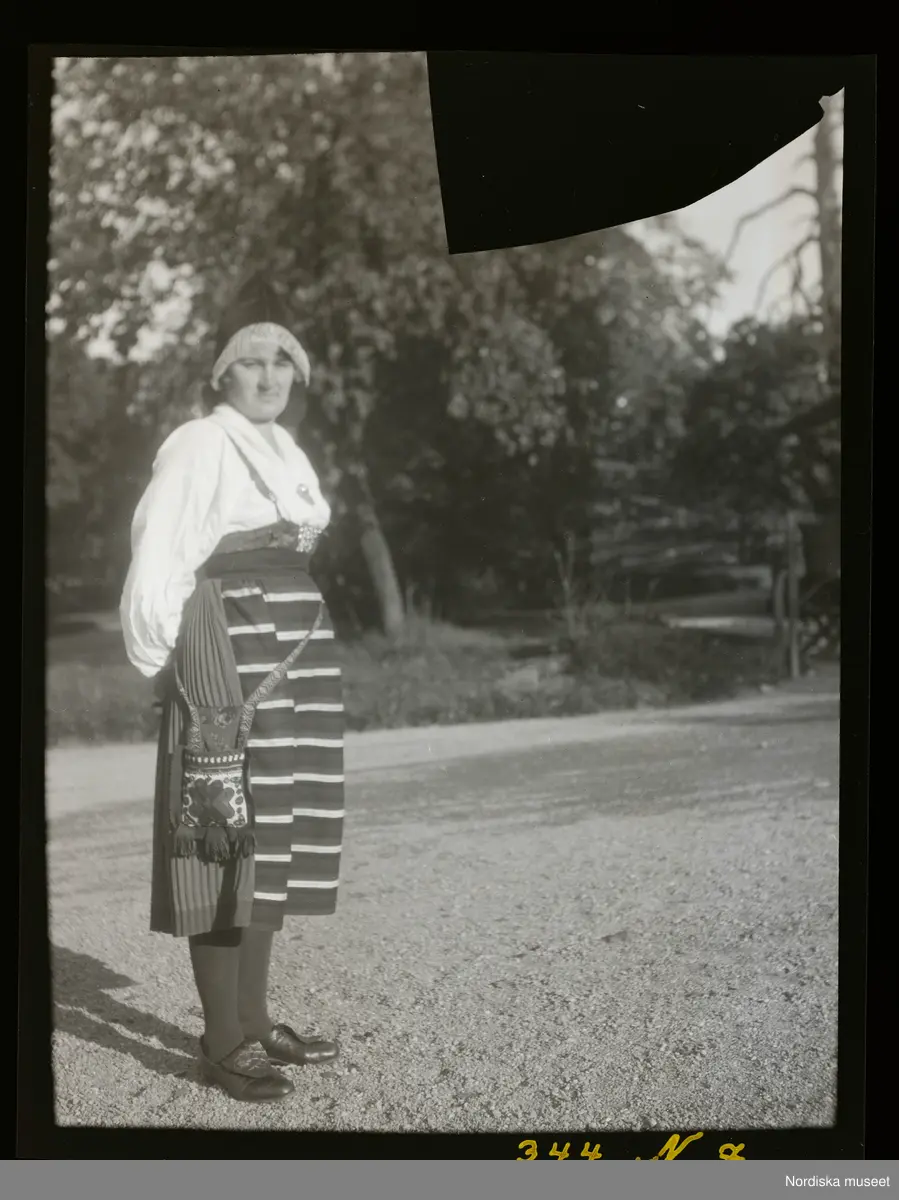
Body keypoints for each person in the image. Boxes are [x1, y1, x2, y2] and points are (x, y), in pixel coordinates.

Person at [120, 276, 344, 1103]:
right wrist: (171, 666)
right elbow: (160, 554)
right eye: (251, 361)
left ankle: (254, 1017)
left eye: (283, 360)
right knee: (224, 831)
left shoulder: (285, 449)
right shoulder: (199, 442)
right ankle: (220, 1038)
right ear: (220, 372)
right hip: (233, 649)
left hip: (296, 646)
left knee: (275, 834)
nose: (269, 376)